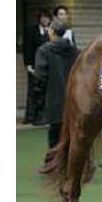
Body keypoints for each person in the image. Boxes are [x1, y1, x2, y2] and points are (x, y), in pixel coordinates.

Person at [33, 19, 79, 154]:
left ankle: (53, 164)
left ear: (52, 31)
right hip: (73, 99)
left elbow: (40, 77)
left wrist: (39, 98)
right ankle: (70, 164)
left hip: (52, 98)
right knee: (70, 133)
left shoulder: (44, 50)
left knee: (54, 134)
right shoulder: (74, 51)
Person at [23, 10, 52, 124]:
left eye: (47, 18)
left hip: (47, 67)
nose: (45, 20)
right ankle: (29, 116)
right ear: (39, 19)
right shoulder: (32, 30)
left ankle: (43, 116)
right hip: (34, 66)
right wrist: (28, 64)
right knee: (32, 91)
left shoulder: (51, 32)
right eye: (43, 17)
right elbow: (27, 47)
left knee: (46, 92)